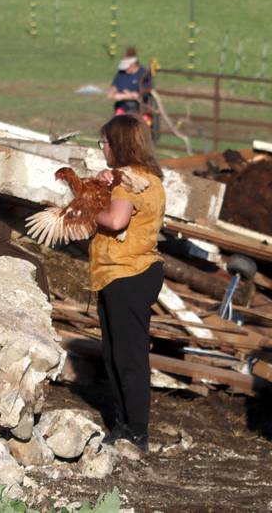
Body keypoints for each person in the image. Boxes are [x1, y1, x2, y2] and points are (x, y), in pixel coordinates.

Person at [91, 114, 166, 452]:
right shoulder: (147, 178)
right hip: (126, 271)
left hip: (126, 273)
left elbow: (117, 220)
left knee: (127, 356)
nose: (102, 148)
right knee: (116, 353)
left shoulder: (127, 182)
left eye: (103, 142)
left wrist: (87, 208)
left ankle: (135, 431)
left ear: (117, 144)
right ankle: (124, 425)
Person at [108, 47, 152, 124]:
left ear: (133, 64)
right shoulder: (121, 74)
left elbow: (143, 94)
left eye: (126, 67)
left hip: (140, 108)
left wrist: (124, 96)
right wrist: (113, 93)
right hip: (123, 107)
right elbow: (113, 89)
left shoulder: (144, 74)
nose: (125, 70)